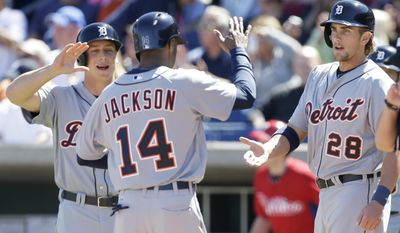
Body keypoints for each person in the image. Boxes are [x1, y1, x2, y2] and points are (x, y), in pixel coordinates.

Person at [76, 12, 255, 233]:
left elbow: (84, 155)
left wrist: (130, 161)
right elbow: (246, 95)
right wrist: (239, 51)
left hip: (128, 207)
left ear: (139, 47)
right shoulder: (184, 80)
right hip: (174, 202)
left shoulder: (109, 93)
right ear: (171, 44)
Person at [239, 1, 398, 232]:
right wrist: (269, 148)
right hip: (325, 192)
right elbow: (294, 129)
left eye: (346, 30)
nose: (337, 37)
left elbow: (393, 148)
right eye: (333, 30)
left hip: (359, 190)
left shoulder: (378, 83)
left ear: (365, 38)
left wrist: (380, 198)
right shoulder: (318, 74)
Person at [6, 22, 122, 233]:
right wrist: (53, 70)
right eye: (94, 51)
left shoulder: (130, 99)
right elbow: (15, 94)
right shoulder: (61, 97)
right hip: (77, 210)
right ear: (83, 57)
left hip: (123, 209)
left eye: (109, 50)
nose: (103, 57)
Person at [248, 119, 319, 233]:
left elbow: (328, 210)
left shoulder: (304, 174)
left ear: (280, 147)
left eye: (264, 144)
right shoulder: (260, 177)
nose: (258, 150)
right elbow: (263, 218)